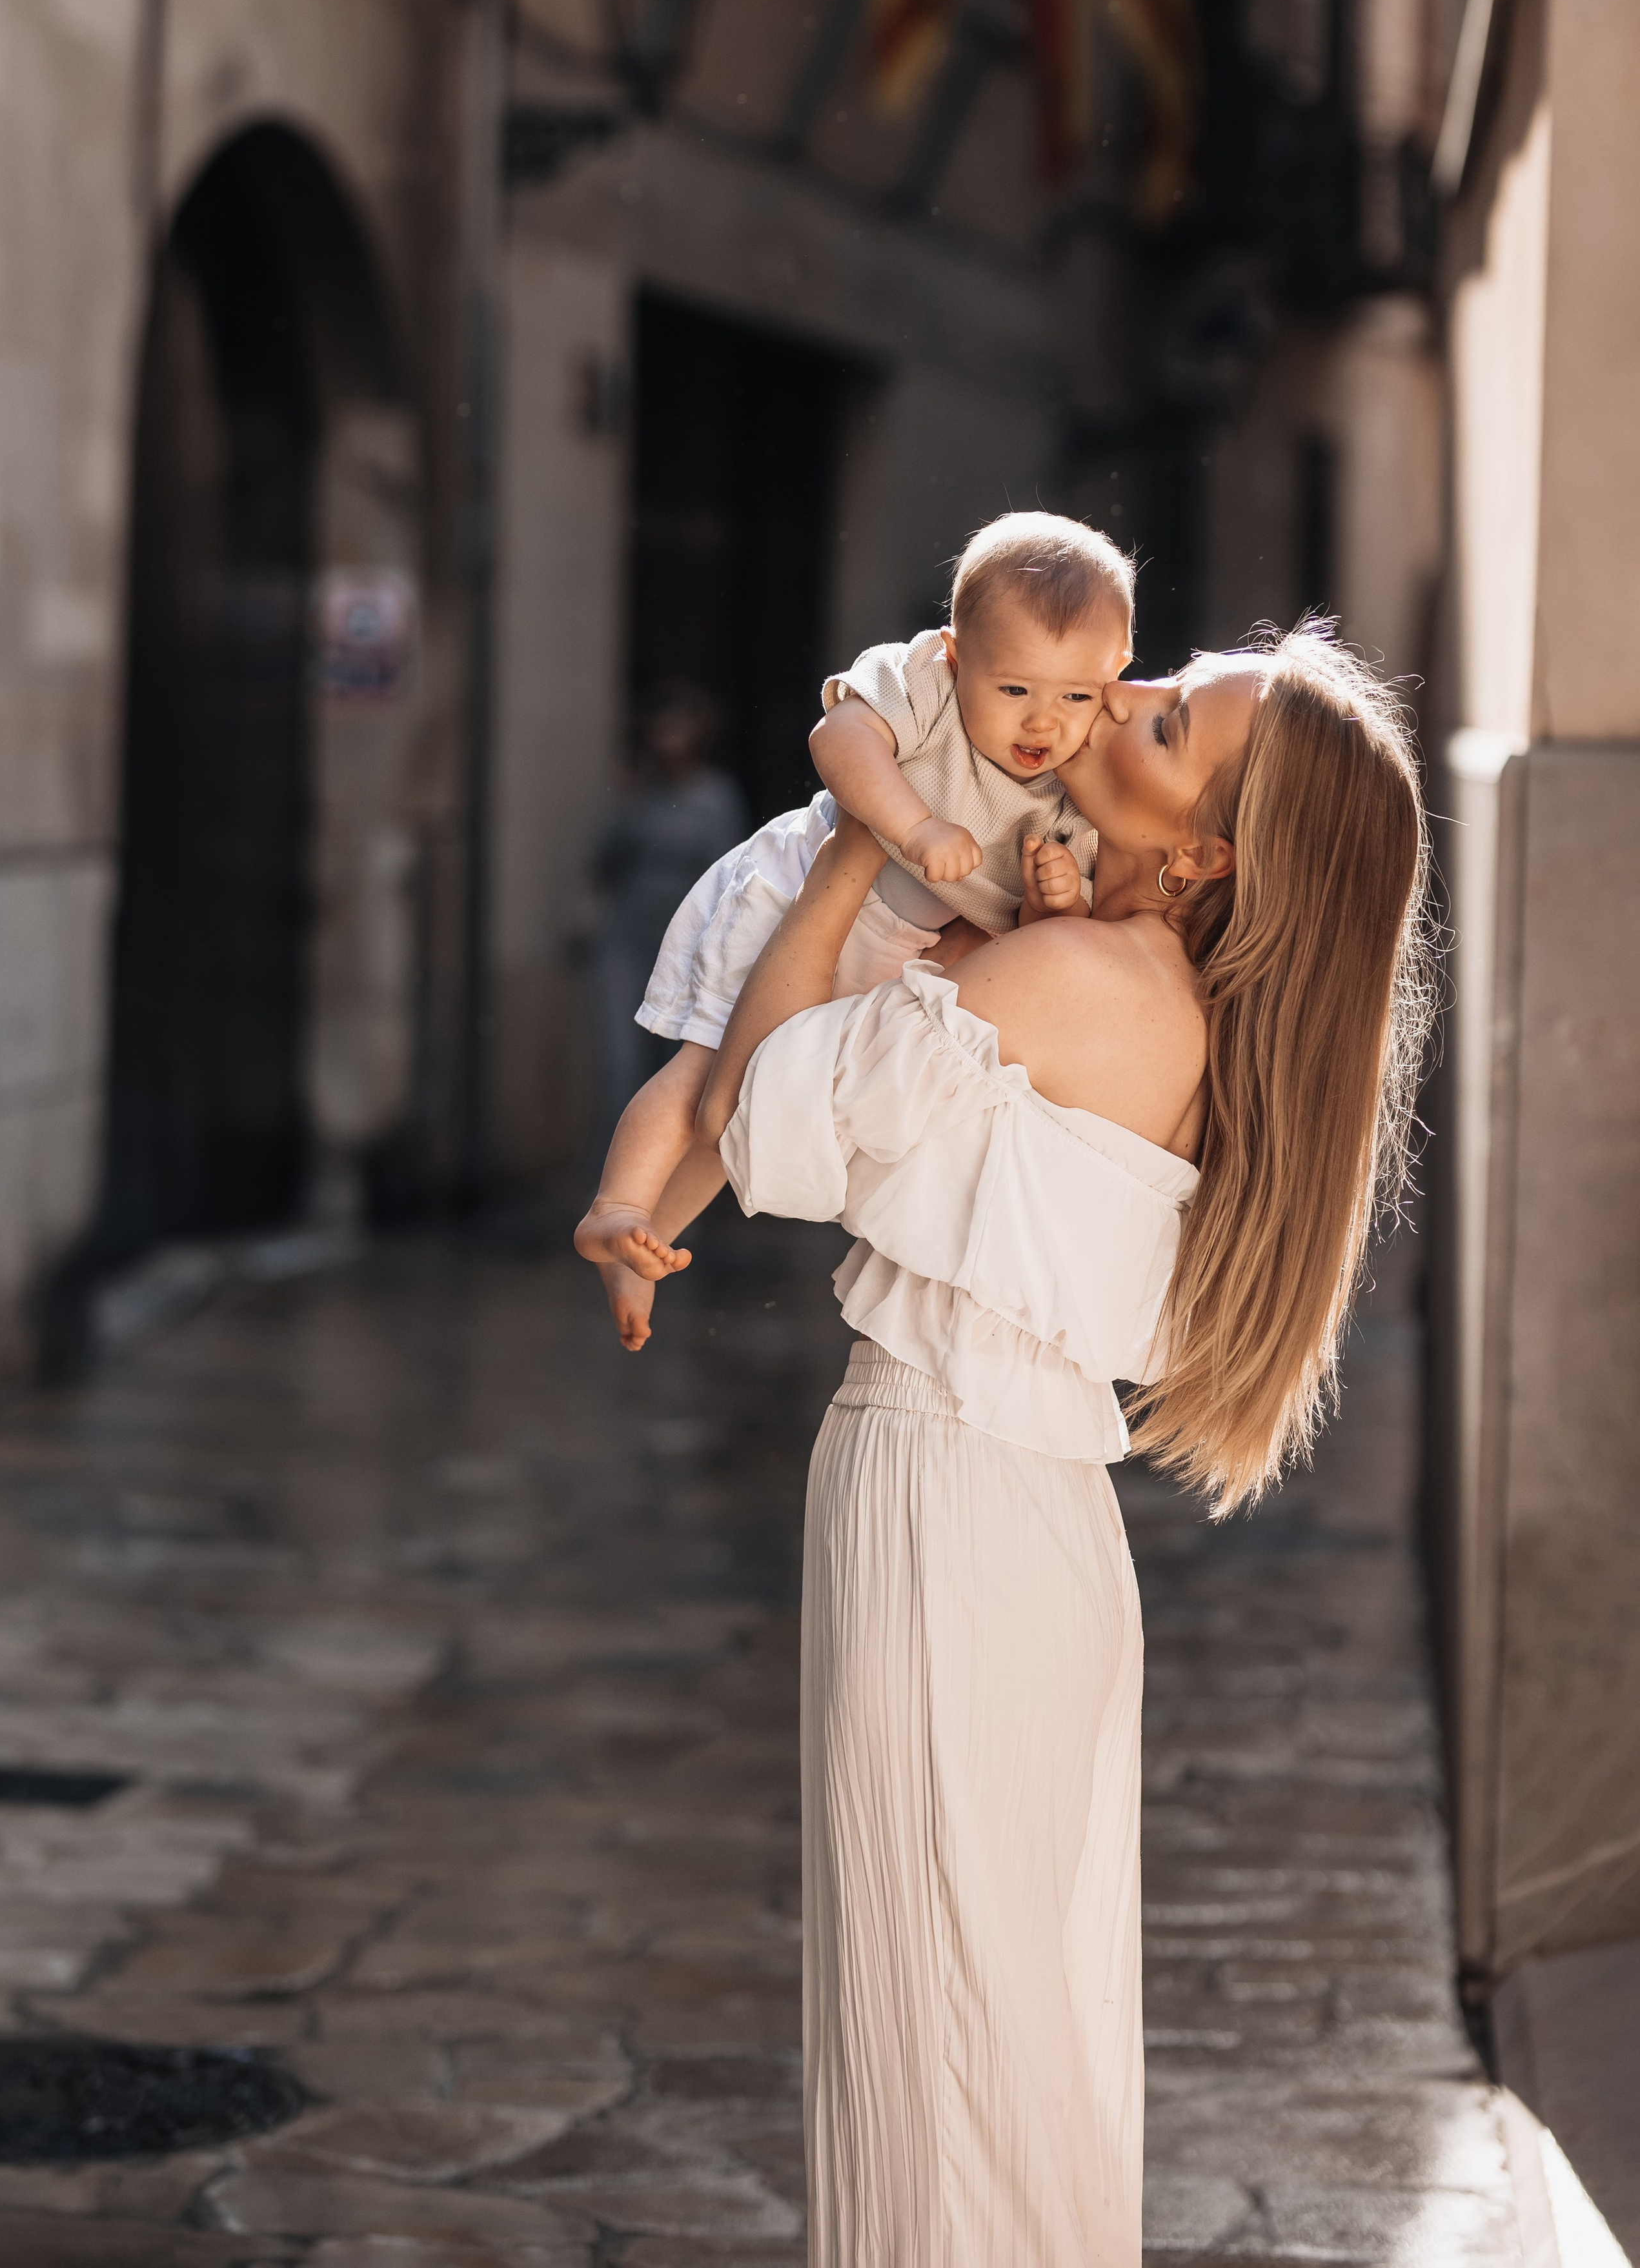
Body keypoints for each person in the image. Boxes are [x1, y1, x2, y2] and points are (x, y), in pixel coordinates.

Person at [657, 625, 1433, 2263]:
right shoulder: (1129, 980)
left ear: (1202, 850)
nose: (1104, 707)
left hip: (946, 1509)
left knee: (937, 2065)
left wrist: (863, 832)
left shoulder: (1072, 978)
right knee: (996, 2054)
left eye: (1155, 723)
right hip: (1009, 1520)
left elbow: (760, 1116)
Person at [574, 512, 1137, 1347]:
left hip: (884, 950)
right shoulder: (929, 689)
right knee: (705, 1070)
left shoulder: (1070, 795)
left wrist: (1056, 899)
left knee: (745, 1115)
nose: (1041, 724)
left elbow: (1045, 939)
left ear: (1115, 678)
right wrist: (911, 824)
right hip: (796, 891)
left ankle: (644, 1244)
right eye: (1014, 689)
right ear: (956, 654)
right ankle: (615, 1204)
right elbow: (839, 736)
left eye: (1076, 697)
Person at [583, 682, 748, 1164]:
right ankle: (607, 1178)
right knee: (619, 1062)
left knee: (675, 1064)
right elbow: (601, 862)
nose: (669, 737)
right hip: (628, 940)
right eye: (662, 726)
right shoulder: (638, 793)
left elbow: (731, 871)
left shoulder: (715, 797)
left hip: (687, 941)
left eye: (680, 726)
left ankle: (662, 1177)